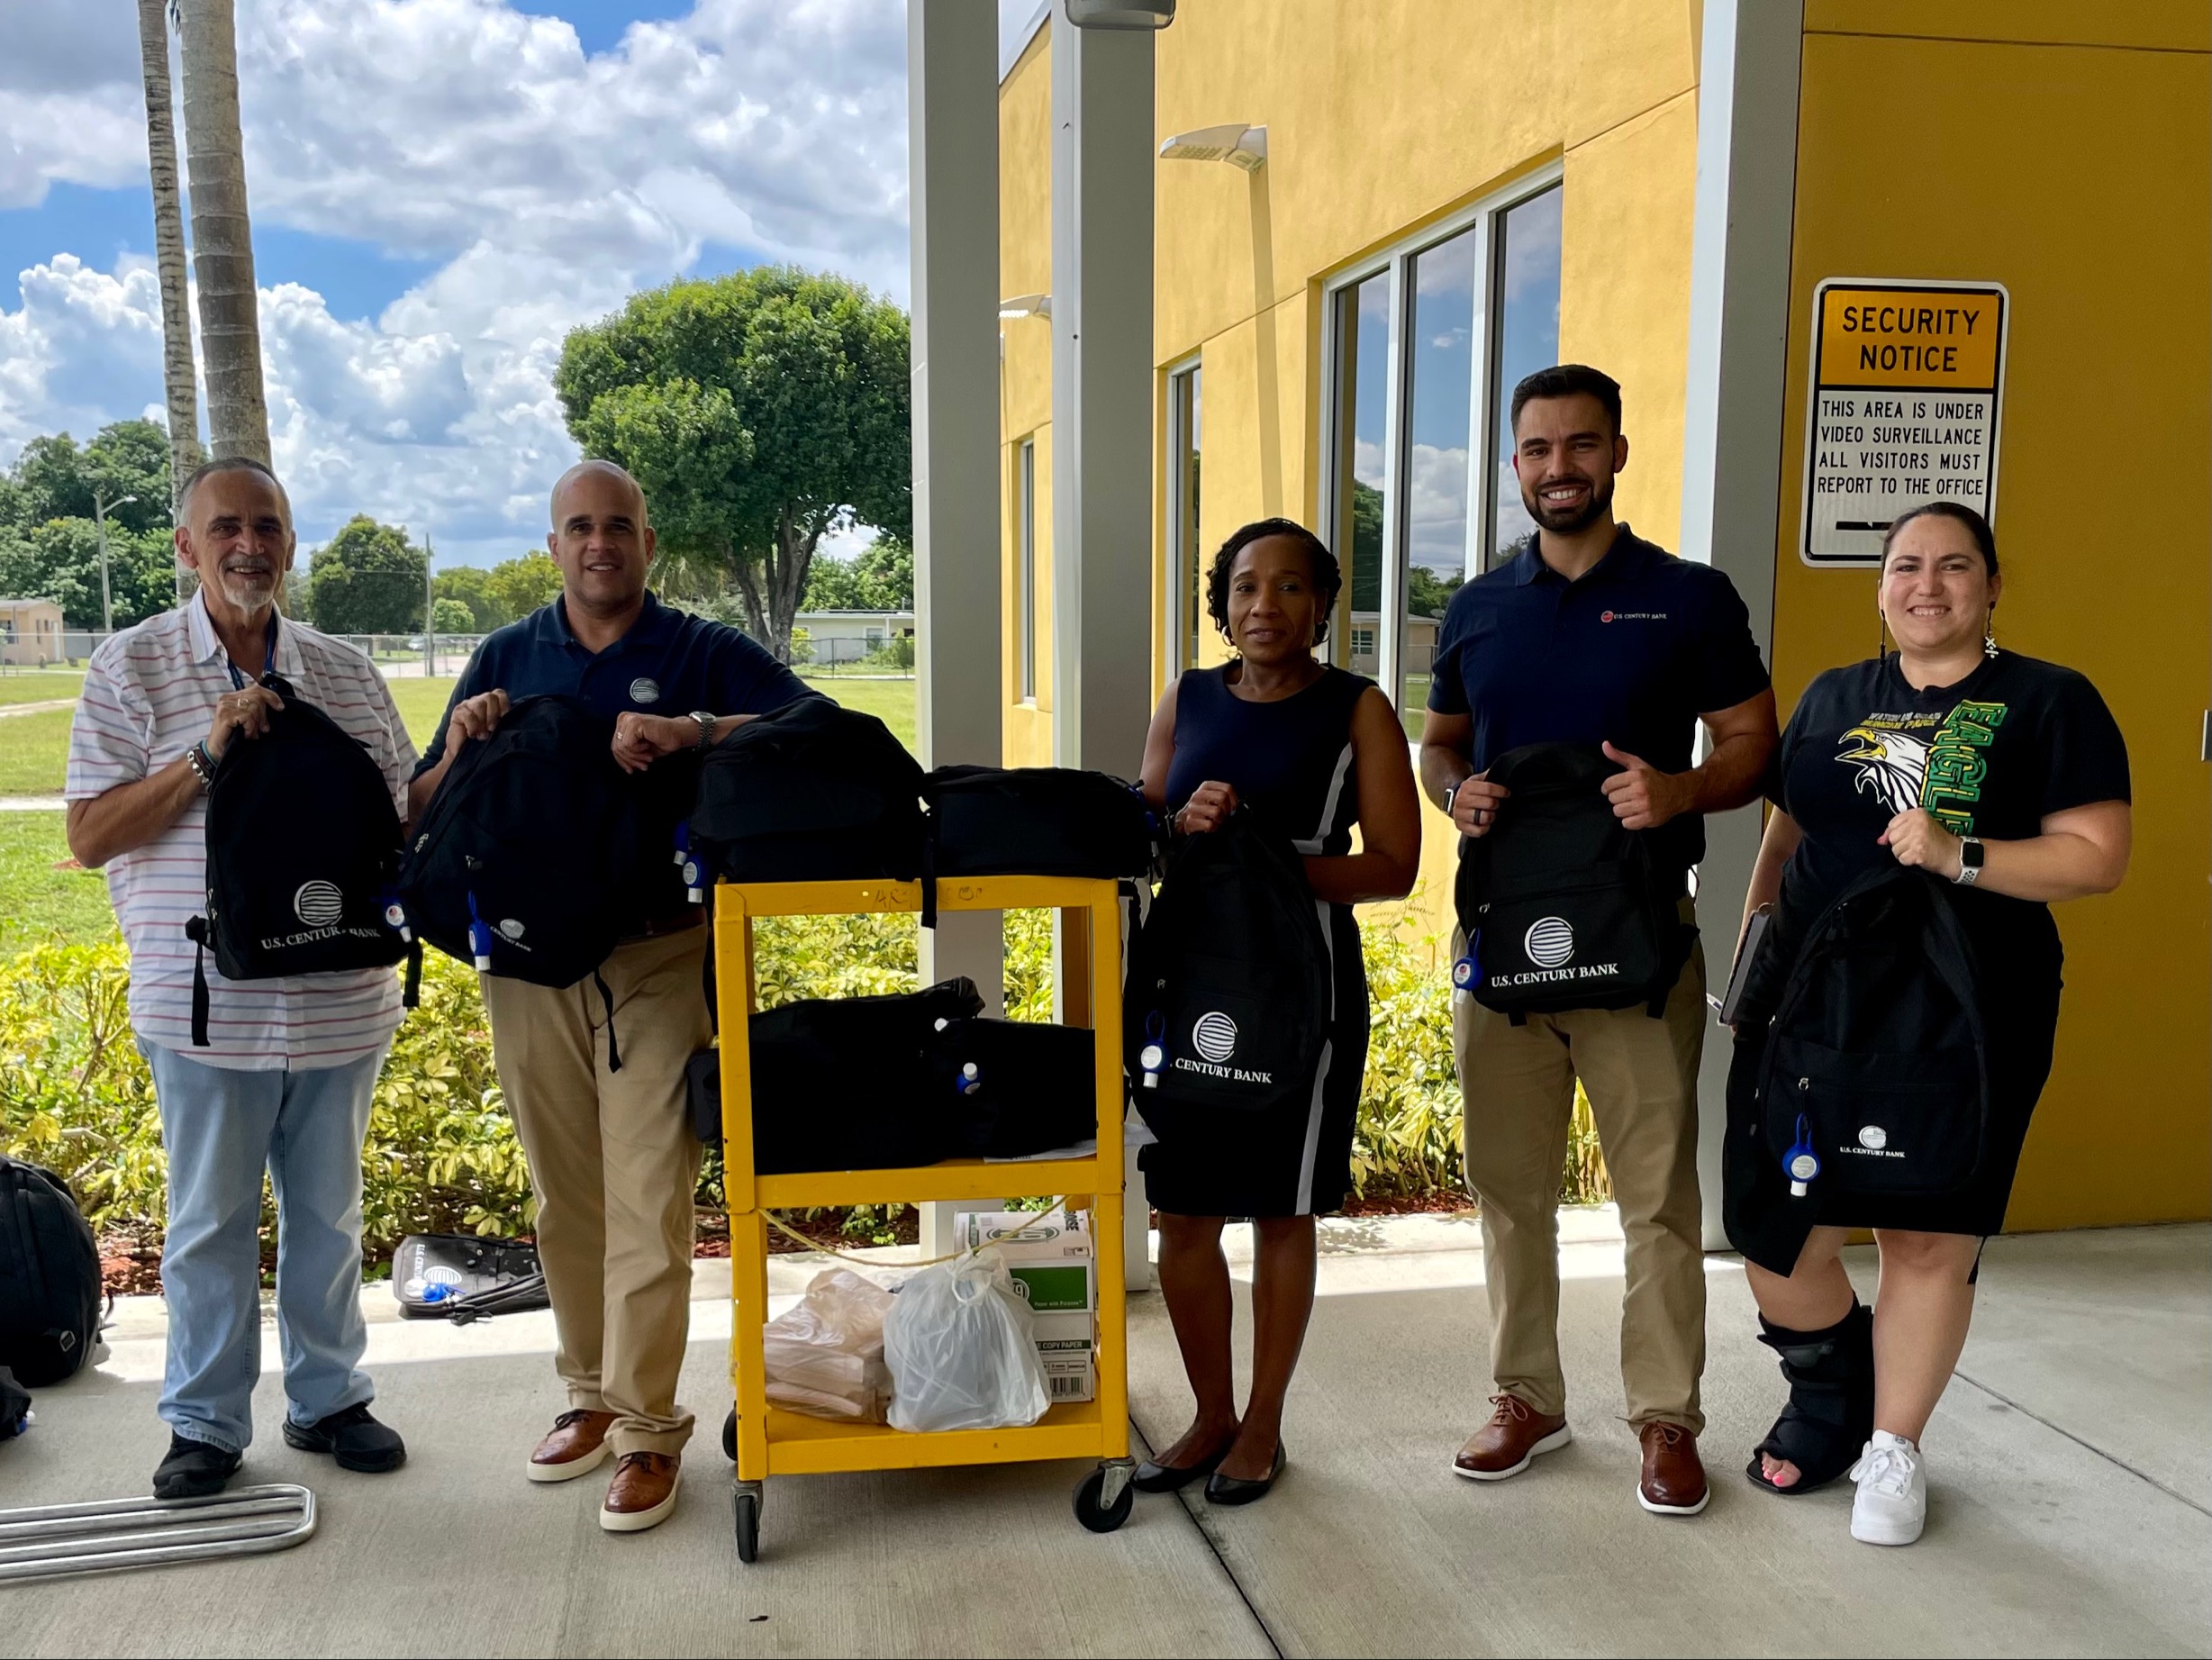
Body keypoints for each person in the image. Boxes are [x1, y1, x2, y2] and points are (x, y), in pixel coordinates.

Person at [408, 459, 812, 1534]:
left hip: (658, 953)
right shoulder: (503, 654)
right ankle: (585, 1397)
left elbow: (815, 726)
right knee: (566, 1199)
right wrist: (460, 743)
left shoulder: (698, 651)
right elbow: (417, 804)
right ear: (553, 547)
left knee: (650, 1201)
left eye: (619, 526)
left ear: (647, 542)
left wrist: (695, 730)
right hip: (529, 965)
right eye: (580, 527)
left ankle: (645, 1430)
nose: (600, 544)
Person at [1727, 501, 2130, 1547]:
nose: (1927, 585)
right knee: (1771, 1222)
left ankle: (1889, 1446)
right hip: (1816, 994)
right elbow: (1787, 828)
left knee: (1922, 1231)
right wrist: (1757, 933)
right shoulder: (1832, 693)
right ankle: (1831, 1388)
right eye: (1906, 565)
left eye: (1955, 566)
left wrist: (1964, 856)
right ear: (1880, 587)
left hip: (1964, 1000)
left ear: (1992, 586)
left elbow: (2096, 855)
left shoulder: (2047, 700)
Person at [1419, 364, 1778, 1516]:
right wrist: (1452, 795)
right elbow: (1439, 743)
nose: (1557, 467)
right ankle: (1525, 1396)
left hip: (1638, 943)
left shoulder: (1686, 596)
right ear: (1513, 462)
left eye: (1579, 445)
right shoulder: (1475, 606)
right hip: (1504, 945)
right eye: (1535, 448)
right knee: (1507, 1189)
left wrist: (1679, 792)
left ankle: (1665, 1419)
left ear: (1616, 454)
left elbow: (1750, 744)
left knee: (1657, 1198)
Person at [66, 457, 415, 1498]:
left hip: (339, 995)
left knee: (330, 1216)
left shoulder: (346, 671)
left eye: (267, 524)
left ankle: (328, 1398)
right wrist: (205, 756)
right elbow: (88, 835)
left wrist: (469, 749)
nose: (247, 543)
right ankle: (206, 1423)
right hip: (201, 1004)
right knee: (209, 1222)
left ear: (290, 542)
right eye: (225, 526)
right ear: (187, 545)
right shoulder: (128, 670)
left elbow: (399, 808)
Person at [1132, 517, 1421, 1504]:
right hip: (1191, 976)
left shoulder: (1358, 708)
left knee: (1281, 1204)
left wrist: (1265, 857)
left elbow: (1393, 864)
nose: (1266, 605)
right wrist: (1179, 824)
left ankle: (1262, 1423)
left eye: (1291, 587)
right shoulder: (1185, 697)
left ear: (1321, 605)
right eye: (1247, 586)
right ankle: (1208, 1413)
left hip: (1301, 983)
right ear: (1222, 603)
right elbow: (1147, 831)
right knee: (1182, 1208)